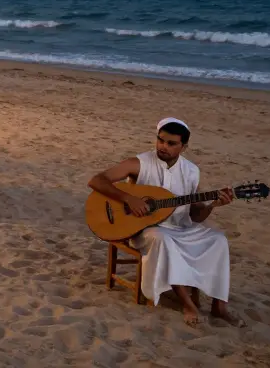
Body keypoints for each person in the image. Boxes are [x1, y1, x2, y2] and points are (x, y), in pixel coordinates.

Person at [87, 118, 240, 328]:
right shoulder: (140, 163)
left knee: (219, 240)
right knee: (163, 239)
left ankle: (219, 305)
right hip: (145, 230)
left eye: (171, 144)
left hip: (181, 228)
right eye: (160, 140)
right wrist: (128, 199)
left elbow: (195, 216)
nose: (163, 147)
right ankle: (187, 304)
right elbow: (96, 180)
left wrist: (212, 205)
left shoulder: (191, 171)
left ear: (184, 147)